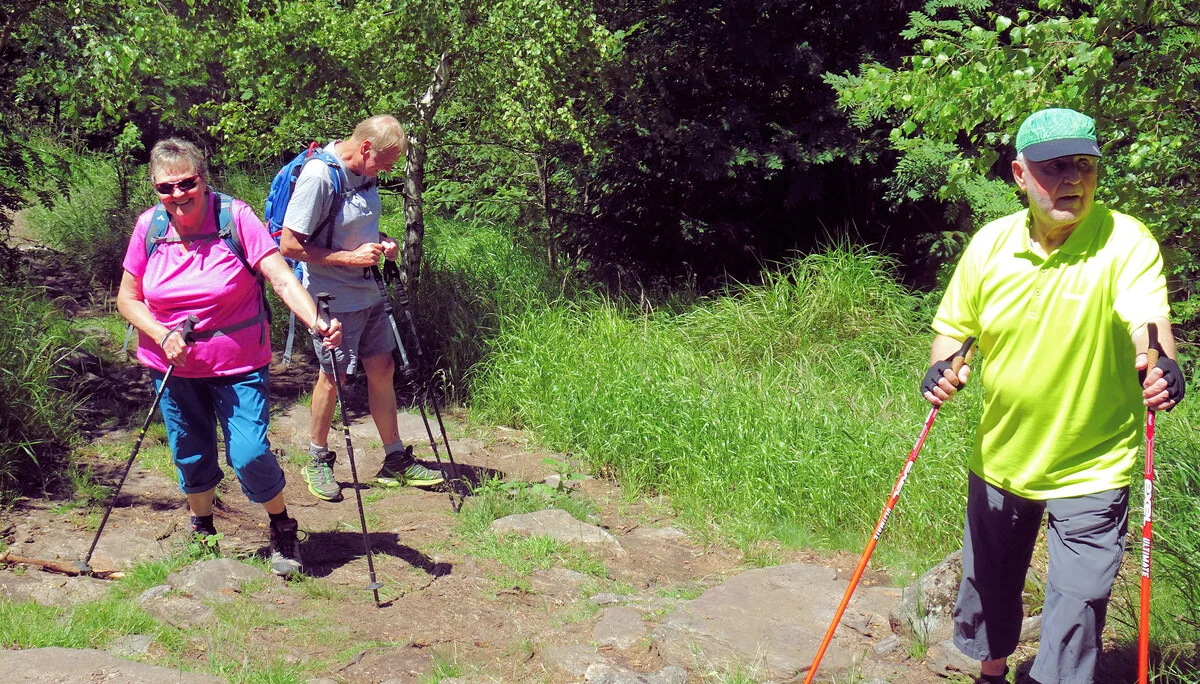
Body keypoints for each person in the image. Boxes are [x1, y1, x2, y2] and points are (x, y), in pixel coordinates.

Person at [922, 108, 1186, 684]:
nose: (1073, 179)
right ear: (1020, 174)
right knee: (988, 583)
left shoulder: (1124, 240)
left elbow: (1148, 318)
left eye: (1085, 165)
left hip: (1094, 462)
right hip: (1001, 457)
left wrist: (1162, 363)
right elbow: (955, 327)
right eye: (1054, 166)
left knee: (1077, 603)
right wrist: (942, 367)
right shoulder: (990, 246)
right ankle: (992, 672)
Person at [117, 138, 342, 576]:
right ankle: (202, 527)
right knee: (189, 451)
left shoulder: (234, 217)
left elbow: (280, 277)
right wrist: (163, 335)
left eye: (187, 183)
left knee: (250, 451)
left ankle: (281, 525)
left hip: (238, 362)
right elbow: (128, 299)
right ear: (154, 189)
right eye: (166, 188)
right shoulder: (149, 228)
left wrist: (317, 320)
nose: (178, 195)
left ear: (202, 179)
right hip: (172, 364)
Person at [279, 114, 443, 503]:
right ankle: (317, 458)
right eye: (386, 161)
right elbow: (288, 245)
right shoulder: (321, 177)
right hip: (331, 297)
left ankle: (394, 460)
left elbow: (356, 227)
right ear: (366, 147)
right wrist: (350, 258)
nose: (388, 170)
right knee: (333, 377)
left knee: (382, 368)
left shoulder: (364, 173)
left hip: (368, 292)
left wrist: (381, 241)